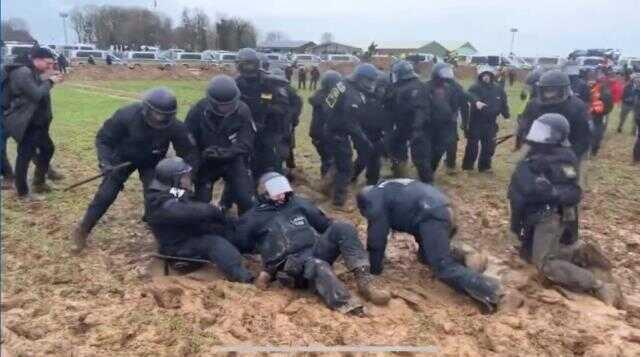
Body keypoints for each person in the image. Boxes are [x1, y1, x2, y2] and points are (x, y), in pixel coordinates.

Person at [234, 172, 390, 313]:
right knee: (317, 265)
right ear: (264, 193)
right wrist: (266, 263)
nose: (281, 195)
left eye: (283, 190)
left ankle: (364, 279)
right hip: (290, 266)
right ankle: (345, 303)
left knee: (342, 226)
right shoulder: (251, 219)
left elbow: (324, 225)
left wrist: (343, 242)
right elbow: (242, 245)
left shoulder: (299, 203)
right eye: (276, 192)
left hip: (315, 250)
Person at [508, 113, 621, 306]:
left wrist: (550, 192)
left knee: (544, 265)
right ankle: (576, 253)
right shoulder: (534, 154)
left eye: (544, 132)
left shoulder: (564, 160)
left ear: (557, 136)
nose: (538, 135)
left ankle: (598, 284)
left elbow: (573, 192)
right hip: (531, 214)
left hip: (548, 215)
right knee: (526, 256)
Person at [71, 87, 199, 253]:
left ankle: (160, 233)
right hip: (121, 161)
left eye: (165, 116)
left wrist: (187, 174)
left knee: (156, 197)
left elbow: (189, 152)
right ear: (146, 109)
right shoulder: (126, 115)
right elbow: (103, 139)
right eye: (157, 114)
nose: (160, 119)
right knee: (105, 194)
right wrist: (105, 163)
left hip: (152, 162)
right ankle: (83, 229)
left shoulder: (174, 126)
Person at [356, 179, 503, 311]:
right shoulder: (386, 187)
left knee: (443, 267)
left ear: (363, 207)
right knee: (426, 258)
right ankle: (462, 255)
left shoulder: (372, 200)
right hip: (440, 208)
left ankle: (494, 291)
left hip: (431, 216)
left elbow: (377, 238)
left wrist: (374, 270)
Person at [144, 157, 254, 283]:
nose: (188, 179)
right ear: (174, 180)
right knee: (215, 243)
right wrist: (211, 210)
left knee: (231, 229)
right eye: (184, 176)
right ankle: (242, 276)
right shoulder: (158, 201)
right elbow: (187, 212)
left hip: (191, 235)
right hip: (177, 246)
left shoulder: (173, 191)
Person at [185, 75, 255, 214]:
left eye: (229, 104)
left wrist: (229, 152)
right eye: (222, 105)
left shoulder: (243, 111)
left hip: (232, 160)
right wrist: (195, 165)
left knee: (245, 198)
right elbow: (188, 142)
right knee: (201, 202)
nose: (226, 108)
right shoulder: (198, 111)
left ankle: (245, 227)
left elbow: (246, 141)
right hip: (206, 162)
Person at [3, 47, 63, 199]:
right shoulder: (22, 72)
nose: (50, 67)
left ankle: (39, 181)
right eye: (48, 63)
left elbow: (35, 87)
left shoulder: (31, 71)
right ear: (37, 59)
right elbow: (36, 94)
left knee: (48, 148)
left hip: (37, 122)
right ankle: (22, 191)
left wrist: (47, 78)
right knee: (25, 154)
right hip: (27, 122)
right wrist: (50, 81)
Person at [323, 63, 378, 207]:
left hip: (333, 128)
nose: (369, 84)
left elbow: (327, 105)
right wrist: (363, 139)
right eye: (368, 80)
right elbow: (350, 122)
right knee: (346, 167)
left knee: (339, 161)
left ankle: (326, 186)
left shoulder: (343, 85)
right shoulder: (350, 94)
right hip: (338, 132)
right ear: (359, 78)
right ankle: (338, 202)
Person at [234, 48, 290, 178]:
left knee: (272, 165)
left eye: (250, 64)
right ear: (239, 65)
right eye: (244, 64)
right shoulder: (235, 84)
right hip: (244, 129)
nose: (248, 68)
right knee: (242, 166)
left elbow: (284, 107)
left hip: (268, 130)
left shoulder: (269, 82)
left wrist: (266, 109)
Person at [517, 70, 592, 162]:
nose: (549, 95)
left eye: (553, 90)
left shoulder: (577, 107)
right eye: (546, 90)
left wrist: (571, 157)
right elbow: (526, 128)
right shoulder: (534, 105)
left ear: (563, 90)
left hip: (568, 151)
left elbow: (582, 138)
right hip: (538, 150)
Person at [387, 60, 431, 181]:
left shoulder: (417, 87)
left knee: (420, 156)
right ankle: (400, 175)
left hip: (417, 126)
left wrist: (417, 128)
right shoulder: (399, 86)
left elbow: (420, 109)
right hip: (402, 125)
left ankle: (427, 182)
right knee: (396, 148)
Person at [462, 66, 510, 172]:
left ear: (492, 76)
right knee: (472, 145)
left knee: (489, 146)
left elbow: (503, 103)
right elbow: (469, 95)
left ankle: (484, 166)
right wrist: (476, 102)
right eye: (484, 75)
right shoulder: (475, 87)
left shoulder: (498, 89)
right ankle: (468, 166)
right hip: (476, 121)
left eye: (488, 75)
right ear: (480, 76)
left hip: (491, 122)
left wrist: (506, 115)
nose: (486, 77)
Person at [352, 70, 392, 185]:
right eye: (380, 87)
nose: (382, 90)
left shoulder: (386, 100)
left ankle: (372, 181)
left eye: (384, 88)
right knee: (364, 157)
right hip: (364, 132)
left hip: (379, 133)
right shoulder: (363, 96)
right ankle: (352, 176)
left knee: (375, 158)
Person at [423, 62, 461, 180]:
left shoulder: (449, 88)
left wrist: (452, 115)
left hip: (444, 125)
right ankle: (426, 174)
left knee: (439, 150)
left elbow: (454, 104)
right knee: (428, 150)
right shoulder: (426, 87)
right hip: (429, 125)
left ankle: (431, 171)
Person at [308, 70, 341, 177]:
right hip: (325, 133)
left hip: (316, 133)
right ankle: (327, 185)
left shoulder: (319, 95)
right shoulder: (330, 97)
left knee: (326, 159)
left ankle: (325, 181)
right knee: (330, 160)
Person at [585, 68, 614, 157]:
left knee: (597, 134)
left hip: (598, 116)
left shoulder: (604, 90)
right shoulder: (584, 88)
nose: (591, 81)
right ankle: (587, 151)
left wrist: (600, 110)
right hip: (586, 114)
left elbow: (609, 105)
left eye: (593, 79)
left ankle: (594, 150)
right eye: (589, 79)